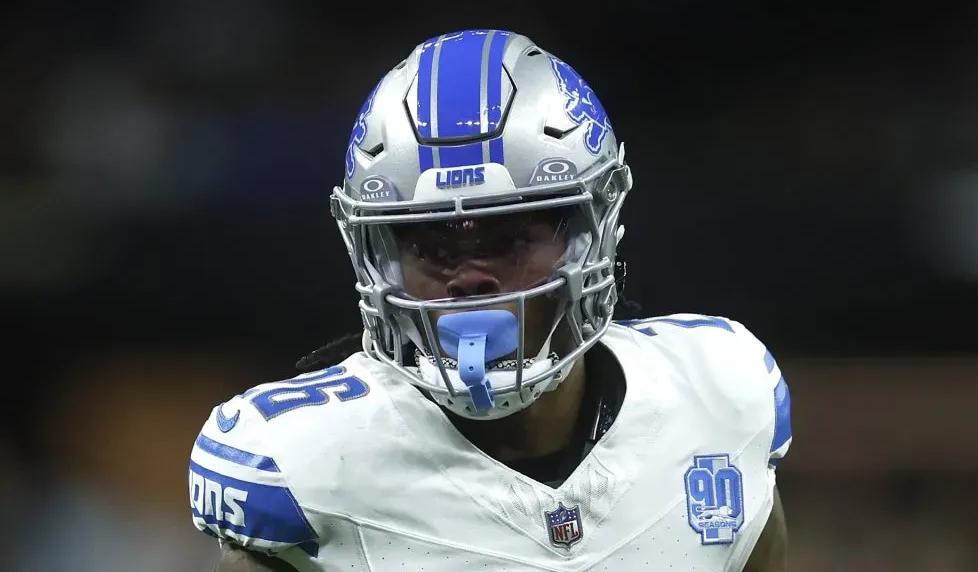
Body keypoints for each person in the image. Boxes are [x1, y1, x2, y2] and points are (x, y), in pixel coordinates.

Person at [190, 29, 792, 572]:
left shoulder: (719, 393)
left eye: (509, 239)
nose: (469, 279)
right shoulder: (303, 461)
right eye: (430, 244)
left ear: (589, 238)